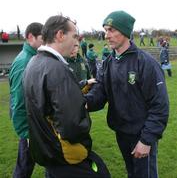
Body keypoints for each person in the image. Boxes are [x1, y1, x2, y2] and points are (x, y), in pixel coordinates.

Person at [23, 15, 110, 178]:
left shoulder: (33, 63)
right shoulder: (57, 69)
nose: (76, 41)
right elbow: (72, 125)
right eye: (75, 36)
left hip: (48, 151)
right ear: (60, 35)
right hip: (64, 155)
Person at [85, 10, 169, 178]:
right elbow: (100, 93)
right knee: (132, 173)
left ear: (125, 31)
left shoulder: (146, 63)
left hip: (142, 134)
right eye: (105, 30)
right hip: (121, 132)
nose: (106, 35)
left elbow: (159, 106)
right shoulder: (108, 63)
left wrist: (146, 140)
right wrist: (83, 103)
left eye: (111, 30)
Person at [9, 22, 43, 178]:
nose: (46, 40)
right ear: (31, 37)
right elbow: (18, 101)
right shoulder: (24, 62)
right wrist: (26, 133)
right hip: (29, 127)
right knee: (24, 167)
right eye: (43, 37)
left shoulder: (33, 57)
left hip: (36, 123)